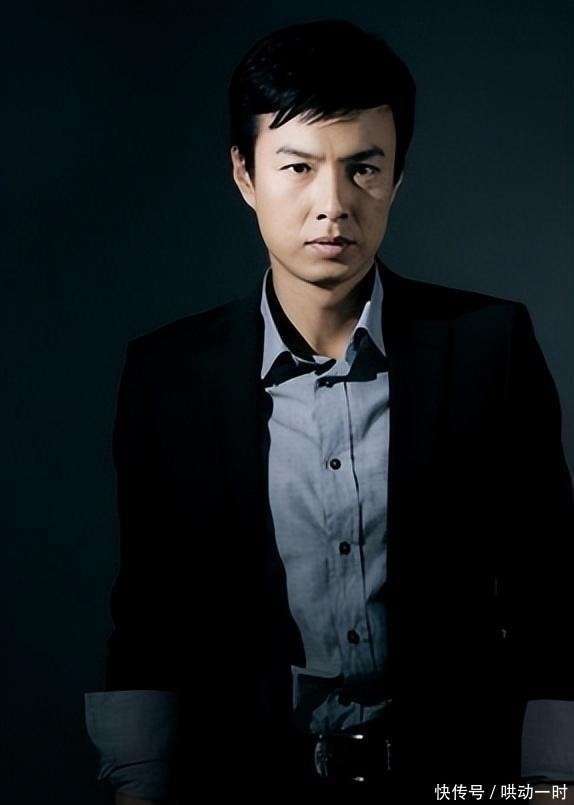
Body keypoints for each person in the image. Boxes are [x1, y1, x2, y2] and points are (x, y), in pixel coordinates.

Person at [84, 19, 574, 802]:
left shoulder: (491, 346)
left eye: (363, 168)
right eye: (298, 167)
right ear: (245, 174)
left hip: (455, 782)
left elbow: (553, 595)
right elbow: (150, 618)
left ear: (397, 177)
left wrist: (552, 791)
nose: (333, 204)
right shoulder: (168, 374)